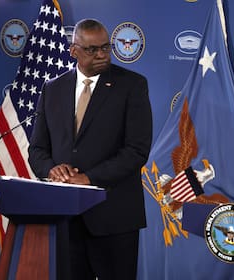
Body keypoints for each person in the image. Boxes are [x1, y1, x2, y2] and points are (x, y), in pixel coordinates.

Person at [28, 18, 152, 280]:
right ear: (74, 51)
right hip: (65, 218)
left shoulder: (132, 86)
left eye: (105, 48)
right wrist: (52, 170)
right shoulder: (53, 89)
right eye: (92, 49)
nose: (101, 55)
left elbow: (137, 150)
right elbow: (38, 148)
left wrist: (89, 178)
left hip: (113, 218)